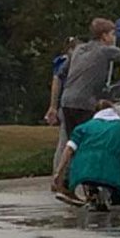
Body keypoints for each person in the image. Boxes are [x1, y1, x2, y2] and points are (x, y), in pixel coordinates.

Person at [52, 99, 120, 210]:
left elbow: (68, 150)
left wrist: (58, 172)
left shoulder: (82, 128)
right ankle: (117, 197)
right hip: (114, 173)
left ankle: (93, 194)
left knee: (90, 167)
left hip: (83, 173)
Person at [61, 19, 120, 138]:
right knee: (89, 140)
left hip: (67, 100)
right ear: (104, 36)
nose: (114, 38)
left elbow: (61, 72)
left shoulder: (78, 49)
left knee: (74, 141)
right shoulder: (105, 50)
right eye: (113, 34)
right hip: (85, 102)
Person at [44, 37, 79, 173]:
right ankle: (60, 173)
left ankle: (61, 173)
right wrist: (53, 106)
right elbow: (56, 81)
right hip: (68, 104)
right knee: (65, 141)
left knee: (66, 140)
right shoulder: (66, 63)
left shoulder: (61, 62)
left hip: (65, 103)